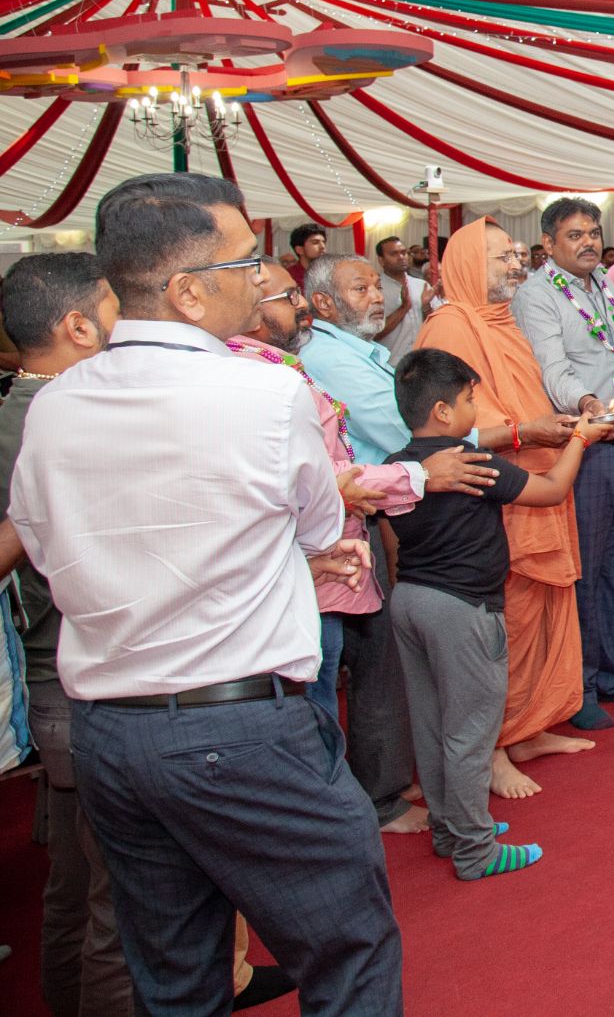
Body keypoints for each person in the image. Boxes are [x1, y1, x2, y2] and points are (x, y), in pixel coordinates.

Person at [11, 172, 403, 1014]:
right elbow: (318, 526)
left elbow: (46, 551)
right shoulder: (265, 390)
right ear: (188, 290)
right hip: (241, 725)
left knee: (175, 975)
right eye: (246, 260)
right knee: (348, 948)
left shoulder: (57, 402)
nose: (262, 278)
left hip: (110, 735)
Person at [237, 259, 435, 840]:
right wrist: (425, 474)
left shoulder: (291, 363)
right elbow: (324, 479)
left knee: (368, 670)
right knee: (316, 698)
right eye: (283, 297)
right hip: (308, 561)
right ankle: (335, 823)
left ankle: (374, 797)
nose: (297, 306)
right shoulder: (259, 377)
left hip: (345, 547)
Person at [386, 348, 597, 881]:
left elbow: (391, 540)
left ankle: (449, 827)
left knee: (432, 725)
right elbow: (550, 492)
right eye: (469, 399)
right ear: (441, 411)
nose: (475, 408)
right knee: (469, 732)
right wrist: (579, 441)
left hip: (410, 599)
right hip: (462, 607)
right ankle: (475, 849)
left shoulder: (398, 468)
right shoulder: (468, 460)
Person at [417, 219, 594, 796]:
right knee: (506, 627)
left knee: (542, 614)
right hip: (497, 495)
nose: (515, 266)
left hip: (539, 478)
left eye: (517, 256)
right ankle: (491, 749)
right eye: (500, 258)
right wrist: (526, 431)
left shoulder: (504, 321)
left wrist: (551, 429)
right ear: (466, 263)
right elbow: (449, 430)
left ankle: (527, 728)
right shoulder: (451, 325)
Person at [0, 253, 133, 1017]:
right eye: (119, 304)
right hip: (74, 674)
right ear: (78, 325)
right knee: (117, 901)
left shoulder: (30, 407)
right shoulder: (46, 419)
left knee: (81, 886)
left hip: (67, 673)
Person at [511, 197, 614, 731]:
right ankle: (580, 686)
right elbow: (551, 369)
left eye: (593, 233)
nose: (588, 243)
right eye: (574, 235)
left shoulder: (604, 285)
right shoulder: (536, 295)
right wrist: (589, 406)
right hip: (585, 446)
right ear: (549, 244)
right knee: (586, 573)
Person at [374, 235, 429, 358]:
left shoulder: (422, 286)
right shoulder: (374, 291)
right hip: (391, 365)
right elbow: (372, 334)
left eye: (404, 253)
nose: (401, 257)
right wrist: (404, 308)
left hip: (422, 362)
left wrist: (426, 307)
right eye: (393, 254)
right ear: (381, 260)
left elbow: (435, 326)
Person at [286, 221, 326, 285]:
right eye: (315, 242)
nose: (323, 246)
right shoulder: (289, 276)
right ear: (299, 250)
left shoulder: (331, 273)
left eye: (324, 242)